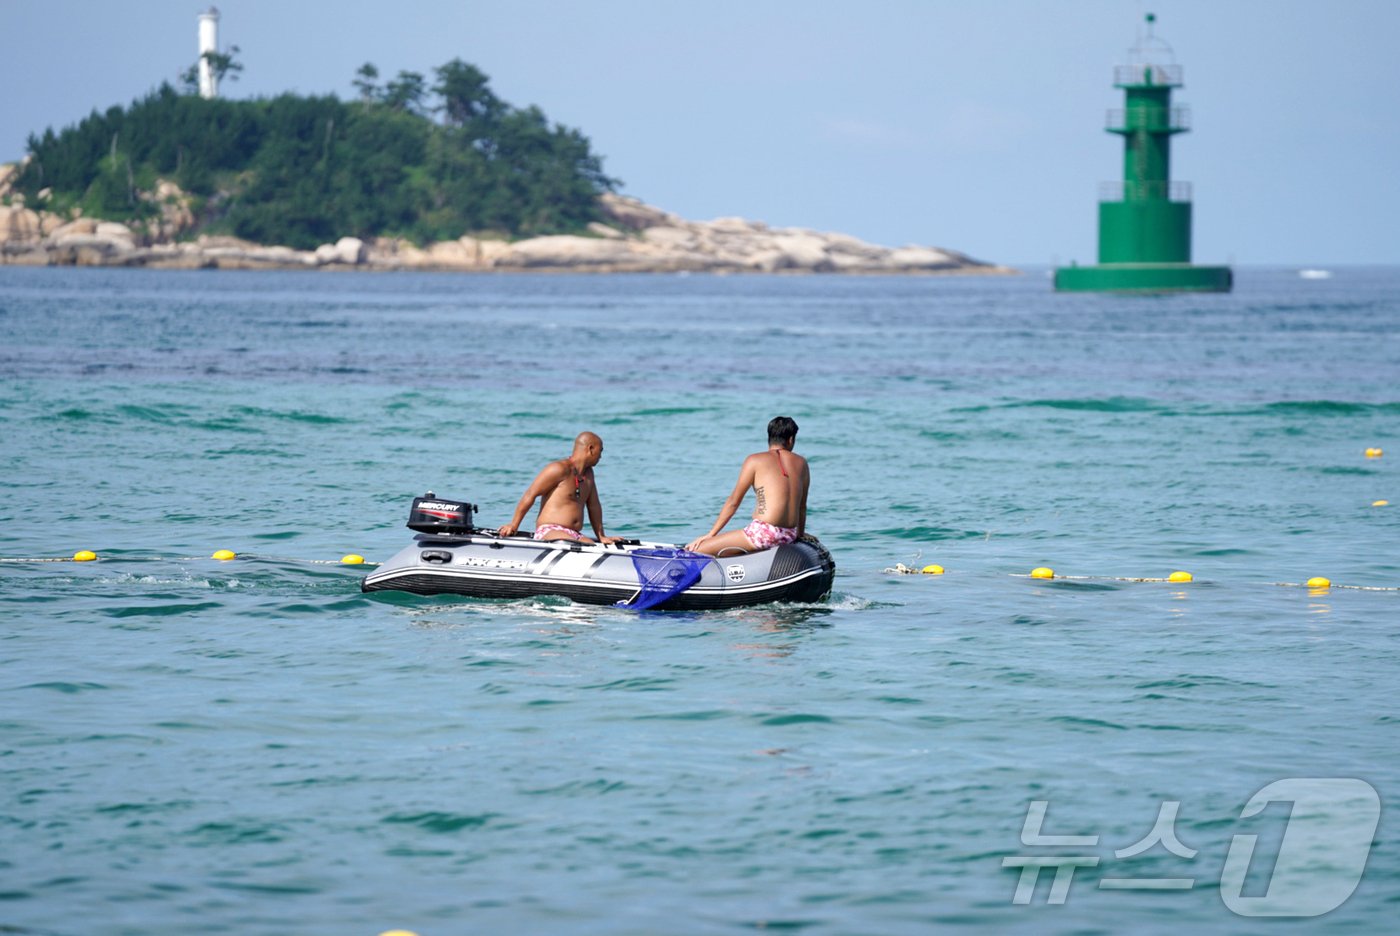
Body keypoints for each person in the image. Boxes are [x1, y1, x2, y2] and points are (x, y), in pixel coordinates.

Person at [686, 416, 809, 556]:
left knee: (696, 550)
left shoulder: (754, 460)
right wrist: (799, 536)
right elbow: (802, 507)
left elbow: (733, 502)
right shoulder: (802, 463)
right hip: (789, 535)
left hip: (763, 534)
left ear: (769, 437)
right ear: (791, 439)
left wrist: (711, 534)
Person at [496, 431, 622, 544]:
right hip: (550, 530)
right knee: (578, 546)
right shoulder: (559, 469)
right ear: (591, 449)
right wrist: (513, 525)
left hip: (574, 534)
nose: (601, 456)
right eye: (600, 451)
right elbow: (531, 494)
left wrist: (601, 536)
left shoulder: (588, 475)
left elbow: (593, 506)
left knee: (592, 546)